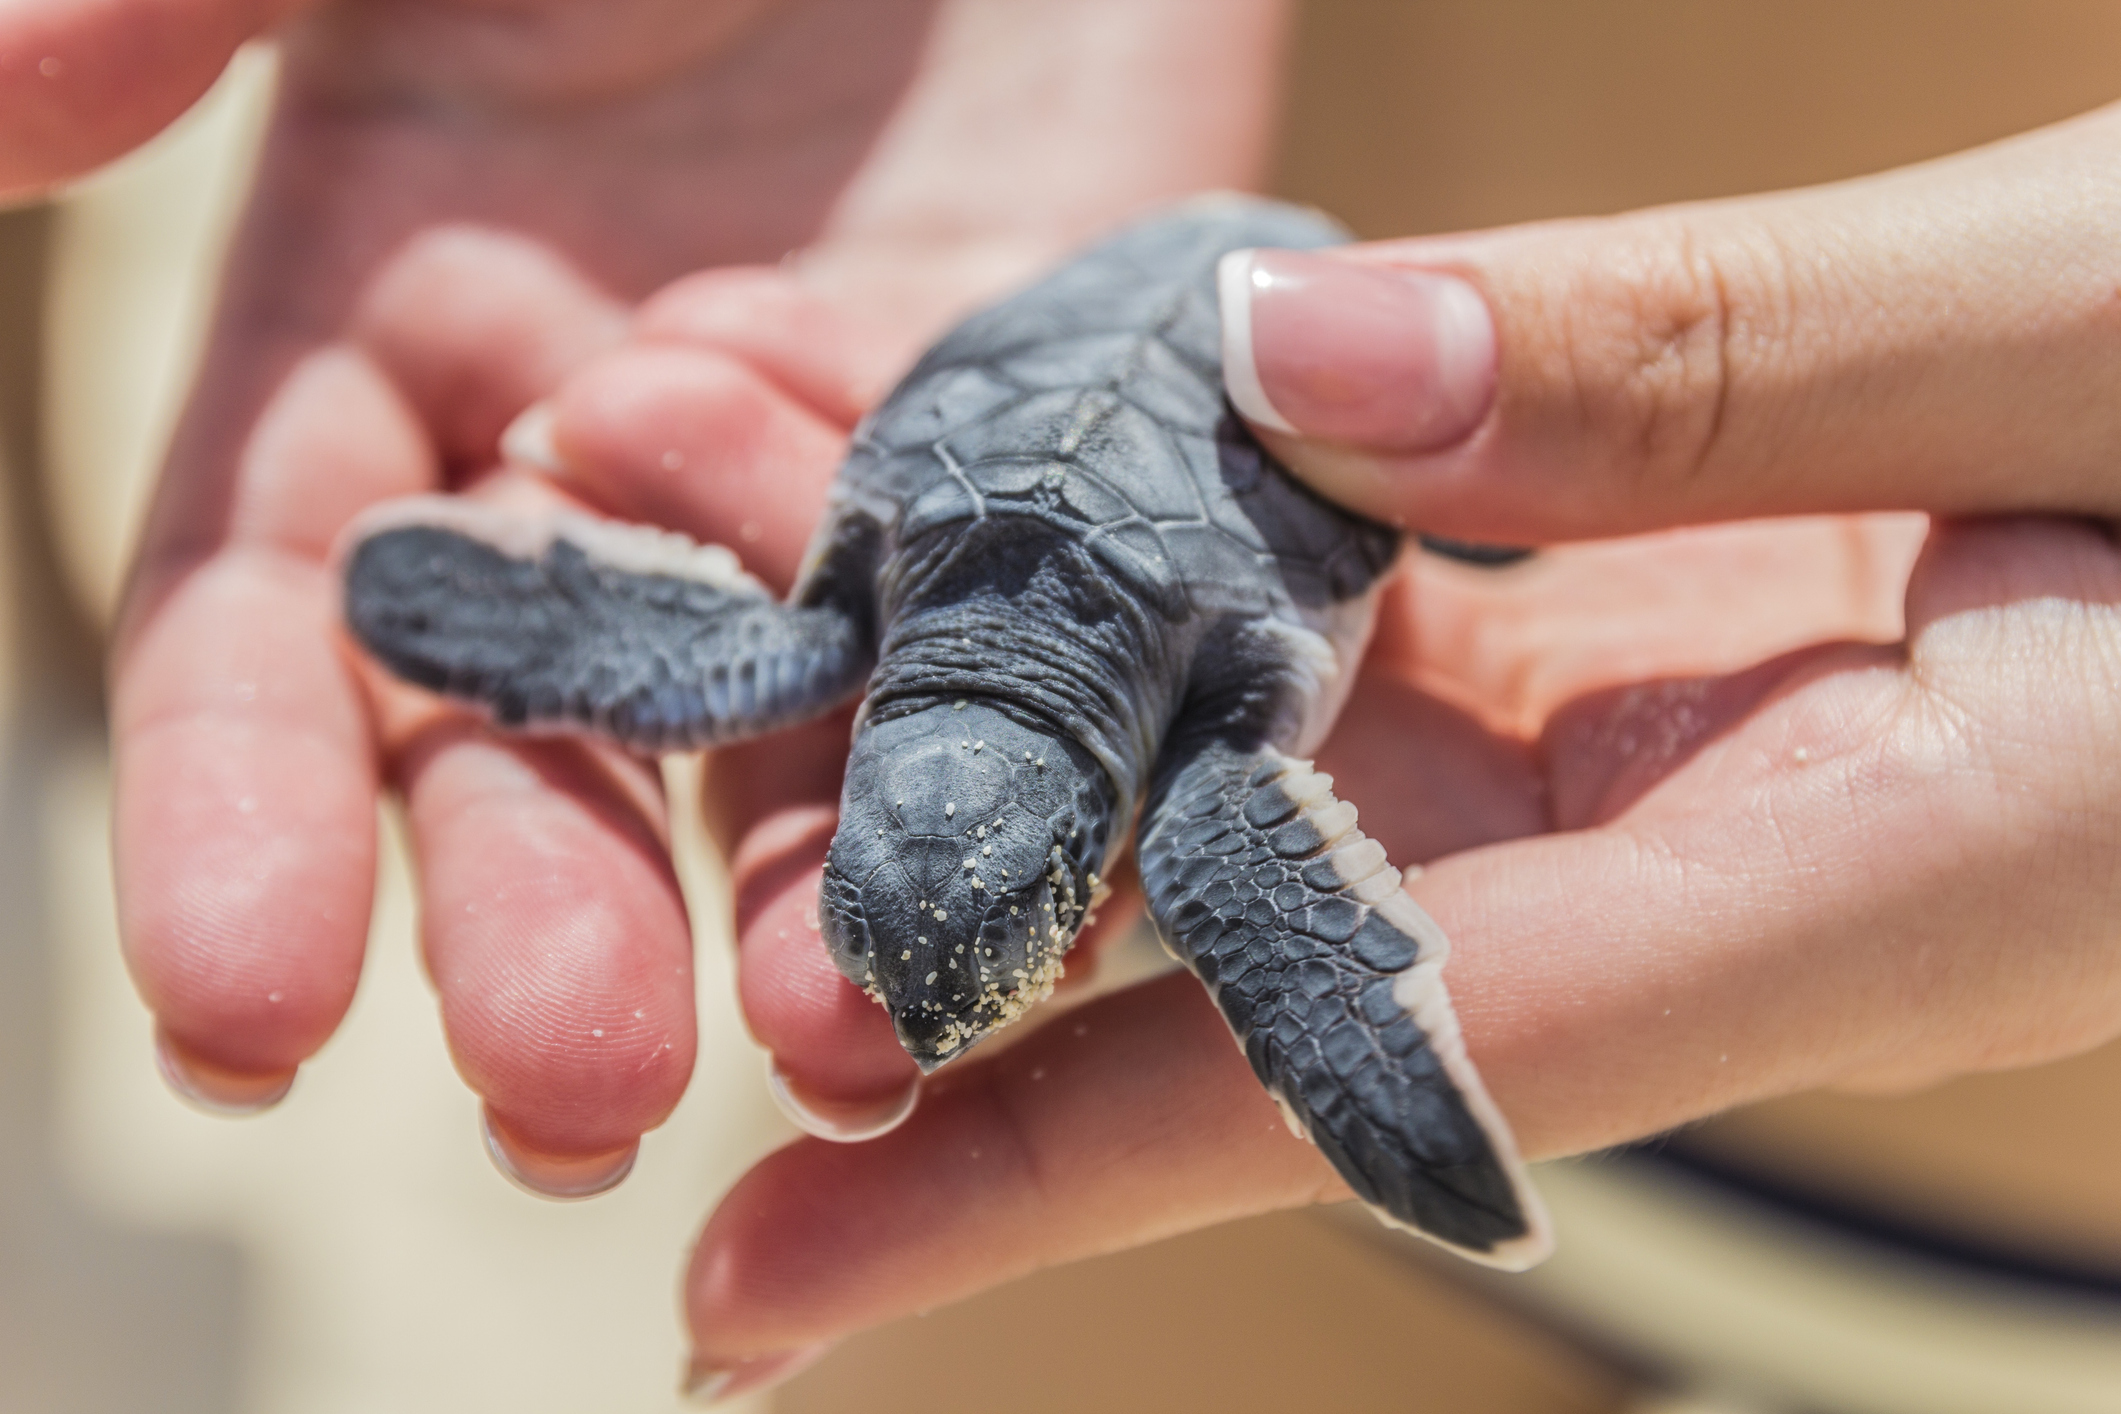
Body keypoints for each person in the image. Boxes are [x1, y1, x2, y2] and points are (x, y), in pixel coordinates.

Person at [9, 0, 2121, 1402]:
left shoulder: (1189, 772)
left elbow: (1230, 886)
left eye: (1000, 921)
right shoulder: (880, 626)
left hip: (2020, 1219)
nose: (952, 982)